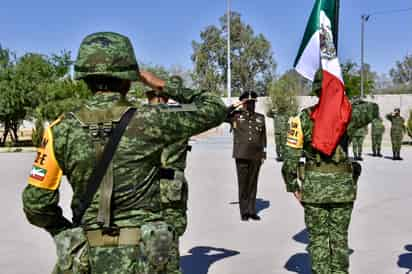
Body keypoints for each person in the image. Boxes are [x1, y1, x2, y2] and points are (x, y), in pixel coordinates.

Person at [22, 31, 227, 274]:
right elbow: (215, 108)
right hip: (145, 258)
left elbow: (36, 204)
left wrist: (65, 232)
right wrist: (161, 84)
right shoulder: (152, 119)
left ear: (84, 78)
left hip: (89, 257)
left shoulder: (59, 130)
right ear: (129, 79)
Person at [282, 71, 379, 274]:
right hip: (342, 189)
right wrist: (343, 96)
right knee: (339, 238)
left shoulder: (302, 118)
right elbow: (373, 108)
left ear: (316, 90)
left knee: (318, 239)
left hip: (314, 190)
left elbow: (290, 158)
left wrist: (293, 186)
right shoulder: (348, 115)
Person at [144, 90, 192, 274]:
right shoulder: (180, 120)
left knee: (143, 235)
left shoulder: (136, 122)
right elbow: (208, 108)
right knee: (171, 236)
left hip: (143, 185)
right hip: (172, 186)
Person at [226, 91, 267, 221]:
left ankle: (252, 210)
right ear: (243, 104)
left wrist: (263, 155)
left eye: (253, 103)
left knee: (253, 183)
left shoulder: (260, 117)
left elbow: (263, 138)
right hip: (241, 154)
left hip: (256, 155)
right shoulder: (235, 116)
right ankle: (244, 211)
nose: (251, 105)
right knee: (243, 183)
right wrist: (235, 105)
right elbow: (221, 114)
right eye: (248, 103)